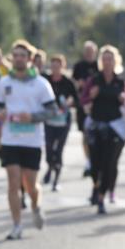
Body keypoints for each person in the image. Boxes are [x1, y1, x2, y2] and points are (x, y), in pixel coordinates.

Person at [0, 40, 56, 239]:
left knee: (31, 184)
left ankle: (36, 206)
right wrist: (0, 113)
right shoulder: (4, 83)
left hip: (32, 140)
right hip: (10, 139)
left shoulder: (41, 84)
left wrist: (33, 117)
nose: (18, 59)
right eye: (16, 55)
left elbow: (52, 111)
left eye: (22, 55)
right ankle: (17, 225)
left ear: (29, 59)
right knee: (13, 182)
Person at [82, 45, 125, 214]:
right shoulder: (94, 80)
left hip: (114, 127)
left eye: (110, 59)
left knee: (109, 163)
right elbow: (83, 100)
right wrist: (91, 96)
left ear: (115, 61)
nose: (107, 62)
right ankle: (97, 186)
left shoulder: (120, 81)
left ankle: (102, 196)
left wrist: (122, 98)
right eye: (104, 59)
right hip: (96, 125)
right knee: (95, 165)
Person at [43, 54, 77, 191]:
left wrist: (70, 102)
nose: (55, 69)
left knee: (59, 150)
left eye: (58, 66)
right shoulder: (45, 81)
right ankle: (50, 166)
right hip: (49, 120)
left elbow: (76, 99)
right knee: (49, 148)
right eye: (53, 66)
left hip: (63, 121)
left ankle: (56, 179)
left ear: (62, 67)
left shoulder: (68, 82)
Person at [71, 41, 99, 178]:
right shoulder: (78, 66)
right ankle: (88, 161)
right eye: (87, 51)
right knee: (85, 134)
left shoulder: (99, 66)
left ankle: (96, 160)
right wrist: (79, 84)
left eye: (91, 51)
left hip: (98, 105)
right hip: (83, 104)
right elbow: (73, 84)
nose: (89, 54)